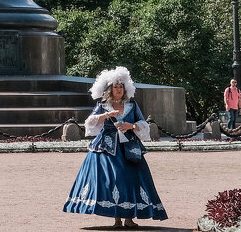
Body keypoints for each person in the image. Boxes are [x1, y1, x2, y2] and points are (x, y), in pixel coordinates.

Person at [63, 66, 167, 227]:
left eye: (120, 87)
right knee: (112, 180)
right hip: (106, 147)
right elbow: (90, 122)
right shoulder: (103, 104)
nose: (118, 90)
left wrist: (130, 126)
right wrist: (105, 115)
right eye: (115, 87)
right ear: (110, 89)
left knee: (130, 180)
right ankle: (117, 218)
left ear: (125, 89)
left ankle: (129, 218)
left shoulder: (132, 104)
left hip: (129, 148)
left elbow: (142, 123)